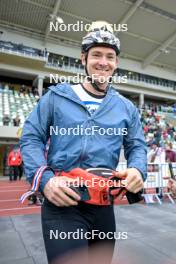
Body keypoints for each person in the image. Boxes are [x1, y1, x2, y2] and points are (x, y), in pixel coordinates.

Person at [20, 21, 147, 264]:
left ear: (116, 63)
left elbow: (137, 146)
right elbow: (31, 138)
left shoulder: (126, 107)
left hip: (103, 205)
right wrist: (45, 181)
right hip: (63, 203)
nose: (103, 62)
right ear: (83, 59)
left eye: (110, 56)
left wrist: (138, 169)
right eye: (96, 54)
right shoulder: (56, 96)